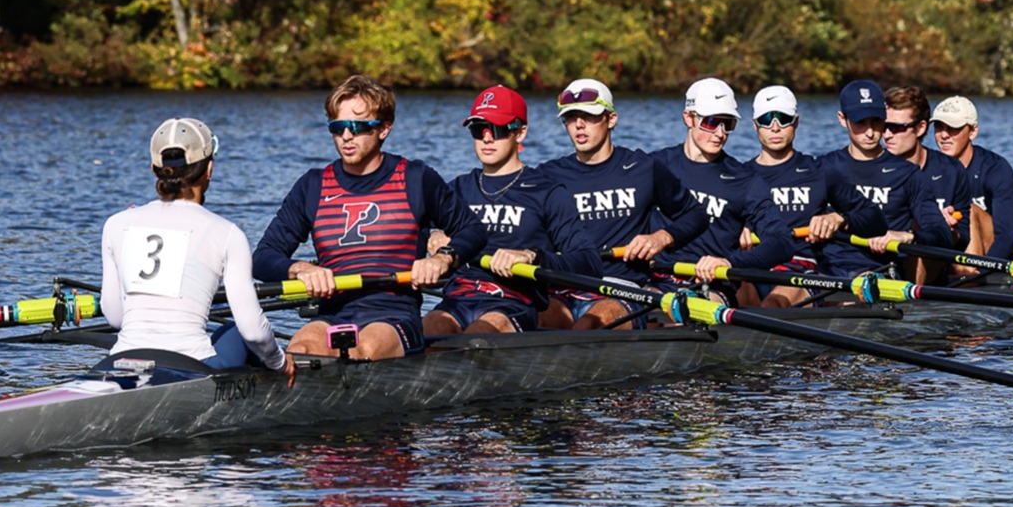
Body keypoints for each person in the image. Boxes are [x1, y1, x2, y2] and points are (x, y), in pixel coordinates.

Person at [253, 75, 486, 360]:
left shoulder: (415, 178)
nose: (346, 136)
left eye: (357, 127)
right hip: (333, 313)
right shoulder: (313, 185)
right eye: (337, 127)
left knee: (361, 351)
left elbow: (472, 230)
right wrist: (300, 269)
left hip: (394, 316)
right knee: (299, 351)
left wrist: (441, 259)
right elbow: (263, 257)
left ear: (384, 128)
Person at [99, 117, 293, 385]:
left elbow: (114, 316)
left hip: (121, 359)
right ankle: (264, 388)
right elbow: (253, 332)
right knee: (235, 331)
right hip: (192, 367)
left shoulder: (116, 223)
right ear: (208, 169)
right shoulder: (227, 233)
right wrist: (279, 362)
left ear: (154, 169)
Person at [536, 77, 708, 329]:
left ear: (611, 119)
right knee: (537, 318)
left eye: (589, 116)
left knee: (590, 324)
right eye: (571, 117)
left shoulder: (643, 168)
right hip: (564, 286)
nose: (579, 125)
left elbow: (697, 214)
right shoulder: (547, 175)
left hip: (622, 288)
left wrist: (662, 237)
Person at [423, 86, 578, 334]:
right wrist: (432, 235)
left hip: (514, 302)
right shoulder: (456, 189)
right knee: (428, 328)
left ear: (520, 132)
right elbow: (410, 233)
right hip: (459, 298)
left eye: (497, 129)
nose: (487, 138)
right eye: (478, 129)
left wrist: (531, 256)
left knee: (481, 332)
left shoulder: (547, 192)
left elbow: (587, 261)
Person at [741, 85, 888, 306]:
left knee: (773, 304)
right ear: (755, 125)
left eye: (783, 119)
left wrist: (839, 219)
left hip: (800, 268)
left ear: (796, 122)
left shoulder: (820, 171)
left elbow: (876, 220)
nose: (775, 127)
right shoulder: (738, 176)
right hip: (751, 267)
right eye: (766, 120)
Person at [649, 77, 795, 292]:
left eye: (727, 124)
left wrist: (730, 262)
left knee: (685, 307)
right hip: (657, 279)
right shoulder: (656, 165)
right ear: (688, 118)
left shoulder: (745, 180)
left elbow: (782, 242)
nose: (720, 133)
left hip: (712, 284)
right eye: (711, 122)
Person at [818, 78, 955, 285]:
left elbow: (942, 235)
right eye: (860, 122)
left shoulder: (907, 174)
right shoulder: (823, 167)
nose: (870, 132)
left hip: (880, 271)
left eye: (876, 121)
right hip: (825, 271)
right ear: (842, 119)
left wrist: (908, 236)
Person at [880, 85, 978, 281]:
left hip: (929, 261)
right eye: (883, 126)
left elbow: (963, 238)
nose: (887, 135)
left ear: (921, 128)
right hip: (880, 258)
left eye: (897, 127)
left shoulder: (951, 170)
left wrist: (945, 229)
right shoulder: (870, 167)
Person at [931, 94, 1013, 261]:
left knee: (969, 209)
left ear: (973, 132)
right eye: (939, 127)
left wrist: (982, 270)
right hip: (954, 247)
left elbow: (1005, 236)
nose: (944, 135)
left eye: (953, 127)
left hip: (998, 254)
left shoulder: (996, 169)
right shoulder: (928, 168)